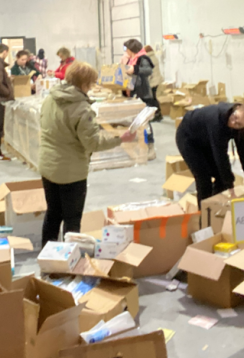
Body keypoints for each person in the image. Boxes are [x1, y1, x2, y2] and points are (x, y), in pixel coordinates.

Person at [39, 62, 135, 245]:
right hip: (71, 173)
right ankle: (70, 257)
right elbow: (93, 143)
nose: (91, 87)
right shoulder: (82, 109)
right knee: (72, 220)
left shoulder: (50, 99)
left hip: (48, 166)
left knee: (53, 213)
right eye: (90, 83)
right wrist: (120, 138)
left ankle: (47, 253)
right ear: (84, 83)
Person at [176, 103, 244, 207]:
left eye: (238, 124)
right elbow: (221, 157)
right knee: (204, 179)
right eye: (235, 117)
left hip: (206, 138)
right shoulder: (217, 121)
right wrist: (231, 189)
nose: (233, 123)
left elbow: (243, 150)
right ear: (236, 109)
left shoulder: (241, 129)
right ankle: (204, 214)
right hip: (188, 137)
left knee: (221, 178)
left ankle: (214, 207)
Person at [144, 45, 164, 122]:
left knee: (151, 99)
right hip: (157, 80)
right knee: (154, 98)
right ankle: (158, 114)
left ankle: (156, 114)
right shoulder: (154, 57)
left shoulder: (148, 59)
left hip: (152, 82)